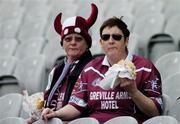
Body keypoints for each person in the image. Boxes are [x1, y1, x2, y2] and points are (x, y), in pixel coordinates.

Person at [41, 16, 163, 124]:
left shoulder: (145, 67)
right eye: (106, 37)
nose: (111, 41)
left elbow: (155, 112)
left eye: (116, 37)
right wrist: (56, 114)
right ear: (101, 42)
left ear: (126, 41)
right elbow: (76, 106)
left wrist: (133, 91)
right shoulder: (90, 69)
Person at [26, 3, 98, 124]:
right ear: (62, 44)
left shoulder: (93, 68)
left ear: (87, 44)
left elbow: (87, 106)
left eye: (79, 39)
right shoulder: (56, 70)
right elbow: (47, 100)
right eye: (68, 39)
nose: (73, 43)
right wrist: (33, 118)